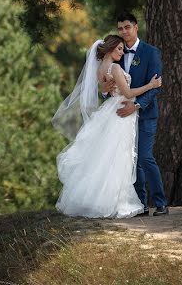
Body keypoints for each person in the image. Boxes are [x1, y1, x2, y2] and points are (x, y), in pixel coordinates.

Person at [52, 35, 162, 218]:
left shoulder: (100, 69)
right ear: (110, 49)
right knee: (119, 157)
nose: (122, 51)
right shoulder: (115, 67)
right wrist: (150, 85)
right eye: (119, 48)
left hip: (111, 109)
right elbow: (127, 92)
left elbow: (106, 90)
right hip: (122, 111)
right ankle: (116, 202)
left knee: (108, 156)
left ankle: (101, 199)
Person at [113, 12, 168, 216]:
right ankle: (141, 204)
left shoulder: (151, 52)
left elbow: (155, 87)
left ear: (136, 27)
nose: (124, 32)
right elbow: (110, 82)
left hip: (145, 114)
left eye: (127, 27)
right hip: (122, 117)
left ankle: (161, 202)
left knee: (145, 157)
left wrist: (136, 106)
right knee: (131, 160)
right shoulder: (116, 53)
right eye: (120, 28)